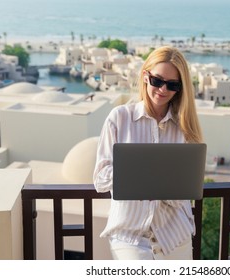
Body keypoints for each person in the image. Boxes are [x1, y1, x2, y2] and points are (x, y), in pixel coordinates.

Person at [93, 46, 203, 260]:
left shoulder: (184, 127)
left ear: (180, 88)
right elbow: (100, 179)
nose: (163, 90)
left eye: (172, 85)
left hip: (175, 235)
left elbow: (187, 187)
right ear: (145, 76)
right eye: (157, 81)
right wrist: (138, 174)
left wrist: (162, 185)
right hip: (129, 234)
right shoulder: (119, 118)